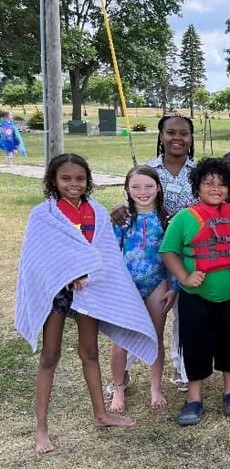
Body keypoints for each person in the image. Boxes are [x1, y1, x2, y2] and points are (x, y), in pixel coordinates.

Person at [15, 153, 158, 453]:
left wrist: (86, 272)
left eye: (79, 178)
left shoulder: (96, 211)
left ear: (88, 181)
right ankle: (42, 427)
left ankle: (100, 413)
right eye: (66, 178)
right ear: (53, 180)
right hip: (57, 291)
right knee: (49, 356)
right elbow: (38, 258)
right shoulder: (44, 215)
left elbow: (104, 255)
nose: (73, 184)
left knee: (89, 351)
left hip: (90, 289)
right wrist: (67, 273)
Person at [160, 158, 230, 426]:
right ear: (197, 187)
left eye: (222, 184)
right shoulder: (184, 218)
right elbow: (168, 251)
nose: (216, 188)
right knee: (195, 344)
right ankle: (193, 398)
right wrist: (184, 277)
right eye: (209, 183)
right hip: (197, 297)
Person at [110, 115, 198, 392]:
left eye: (183, 133)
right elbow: (130, 201)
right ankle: (120, 378)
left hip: (186, 255)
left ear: (191, 138)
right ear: (160, 136)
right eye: (170, 132)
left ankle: (181, 369)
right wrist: (118, 210)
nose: (177, 138)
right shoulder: (148, 170)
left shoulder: (197, 172)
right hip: (143, 260)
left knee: (182, 316)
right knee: (128, 324)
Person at [108, 166, 177, 414]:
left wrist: (174, 287)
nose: (143, 191)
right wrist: (113, 288)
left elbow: (175, 255)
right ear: (126, 189)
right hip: (127, 285)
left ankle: (155, 387)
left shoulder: (167, 218)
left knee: (154, 337)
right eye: (135, 186)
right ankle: (118, 388)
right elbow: (112, 254)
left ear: (158, 187)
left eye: (148, 186)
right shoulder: (122, 218)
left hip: (157, 283)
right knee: (120, 341)